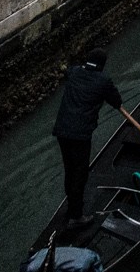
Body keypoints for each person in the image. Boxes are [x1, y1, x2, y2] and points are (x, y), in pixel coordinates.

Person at [52, 49, 123, 224]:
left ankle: (72, 208)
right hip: (80, 134)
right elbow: (117, 101)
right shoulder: (103, 80)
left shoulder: (74, 72)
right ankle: (76, 216)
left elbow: (68, 70)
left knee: (70, 170)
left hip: (62, 130)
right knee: (80, 173)